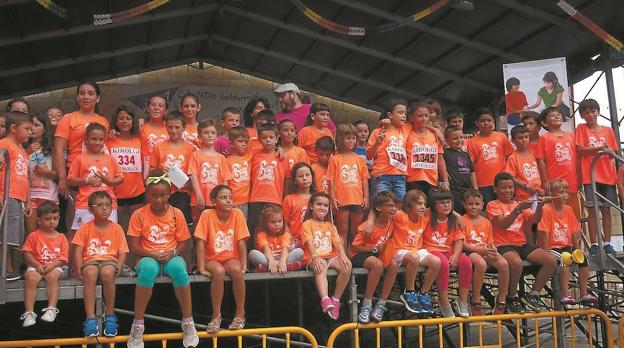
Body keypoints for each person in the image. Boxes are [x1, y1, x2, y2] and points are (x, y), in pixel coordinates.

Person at [126, 172, 199, 348]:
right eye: (154, 195)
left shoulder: (176, 213)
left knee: (179, 270)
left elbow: (184, 242)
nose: (159, 199)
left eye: (163, 195)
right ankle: (137, 325)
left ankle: (188, 322)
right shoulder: (138, 214)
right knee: (148, 270)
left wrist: (173, 252)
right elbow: (134, 246)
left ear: (169, 194)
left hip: (170, 255)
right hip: (147, 256)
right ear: (147, 194)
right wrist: (152, 254)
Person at [486, 172, 556, 313]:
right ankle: (512, 296)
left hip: (521, 244)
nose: (508, 191)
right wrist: (518, 210)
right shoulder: (493, 205)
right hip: (503, 245)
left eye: (510, 187)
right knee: (516, 262)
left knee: (551, 260)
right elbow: (503, 224)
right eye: (504, 188)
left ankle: (533, 295)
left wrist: (540, 206)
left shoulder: (519, 203)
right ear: (495, 189)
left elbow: (534, 220)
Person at [72, 191, 128, 337]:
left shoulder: (117, 228)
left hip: (109, 261)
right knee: (90, 273)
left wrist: (119, 267)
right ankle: (90, 318)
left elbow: (123, 252)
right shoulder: (84, 228)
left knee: (108, 273)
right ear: (90, 209)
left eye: (108, 205)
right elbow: (78, 251)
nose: (104, 209)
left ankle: (110, 314)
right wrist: (79, 270)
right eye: (100, 205)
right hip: (90, 260)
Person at [195, 185, 249, 332]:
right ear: (214, 201)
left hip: (231, 257)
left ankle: (240, 314)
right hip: (212, 258)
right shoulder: (207, 214)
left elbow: (241, 241)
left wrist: (244, 265)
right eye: (223, 197)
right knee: (218, 272)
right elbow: (200, 242)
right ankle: (216, 315)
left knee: (237, 270)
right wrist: (201, 267)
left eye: (230, 197)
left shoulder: (237, 213)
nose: (228, 201)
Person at [538, 179, 597, 305]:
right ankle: (565, 294)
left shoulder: (569, 209)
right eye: (560, 192)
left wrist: (577, 250)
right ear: (552, 193)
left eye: (566, 191)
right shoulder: (546, 209)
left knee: (582, 259)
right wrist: (545, 252)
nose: (564, 195)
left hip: (567, 245)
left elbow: (574, 231)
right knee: (565, 258)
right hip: (553, 248)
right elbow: (544, 232)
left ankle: (583, 293)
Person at [384, 189, 439, 317]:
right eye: (419, 204)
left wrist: (458, 216)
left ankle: (424, 293)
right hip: (398, 250)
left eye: (424, 204)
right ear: (409, 206)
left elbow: (441, 207)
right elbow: (378, 210)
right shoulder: (400, 215)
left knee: (436, 262)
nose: (423, 207)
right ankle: (409, 292)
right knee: (414, 257)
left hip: (416, 250)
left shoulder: (423, 218)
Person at [575, 98, 618, 255]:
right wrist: (598, 148)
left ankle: (607, 243)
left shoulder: (608, 130)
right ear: (582, 115)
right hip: (590, 176)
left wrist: (609, 152)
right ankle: (594, 244)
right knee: (592, 211)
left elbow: (613, 152)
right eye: (587, 112)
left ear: (598, 112)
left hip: (607, 176)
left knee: (606, 210)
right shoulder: (581, 128)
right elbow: (580, 150)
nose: (591, 114)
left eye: (593, 111)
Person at [54, 81, 110, 201]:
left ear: (98, 98)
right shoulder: (67, 118)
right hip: (75, 172)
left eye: (90, 93)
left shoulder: (104, 121)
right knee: (75, 210)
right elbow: (59, 149)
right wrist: (62, 178)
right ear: (77, 97)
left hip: (99, 171)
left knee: (98, 208)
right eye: (82, 93)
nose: (86, 97)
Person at [350, 192, 399, 323]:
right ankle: (367, 304)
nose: (393, 209)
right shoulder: (367, 226)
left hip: (377, 253)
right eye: (389, 206)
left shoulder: (392, 220)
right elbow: (354, 247)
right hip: (360, 254)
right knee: (377, 264)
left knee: (394, 264)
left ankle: (381, 303)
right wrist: (374, 249)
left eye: (394, 206)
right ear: (378, 208)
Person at [302, 192, 351, 320]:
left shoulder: (330, 225)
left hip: (329, 256)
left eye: (325, 205)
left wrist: (343, 255)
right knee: (321, 266)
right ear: (311, 206)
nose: (322, 208)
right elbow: (309, 242)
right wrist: (315, 257)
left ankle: (335, 299)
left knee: (347, 266)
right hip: (313, 258)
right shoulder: (307, 224)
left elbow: (337, 242)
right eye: (319, 204)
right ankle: (324, 299)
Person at [423, 189, 471, 318]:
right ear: (434, 205)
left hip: (448, 250)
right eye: (442, 203)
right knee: (442, 263)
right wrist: (457, 214)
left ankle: (463, 301)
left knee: (466, 262)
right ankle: (444, 301)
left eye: (449, 202)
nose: (446, 205)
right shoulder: (427, 215)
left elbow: (459, 241)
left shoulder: (453, 220)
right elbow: (422, 208)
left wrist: (455, 255)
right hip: (431, 249)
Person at [67, 123, 123, 233]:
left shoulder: (110, 159)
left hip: (108, 205)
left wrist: (108, 181)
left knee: (108, 234)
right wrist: (87, 181)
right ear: (86, 140)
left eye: (101, 139)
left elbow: (120, 178)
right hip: (85, 204)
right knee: (80, 235)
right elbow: (70, 180)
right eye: (93, 139)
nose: (97, 142)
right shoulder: (79, 159)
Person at [20, 202, 68, 327]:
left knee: (52, 277)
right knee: (30, 278)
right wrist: (36, 265)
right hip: (36, 265)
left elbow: (63, 259)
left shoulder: (61, 237)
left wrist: (51, 266)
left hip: (55, 266)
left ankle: (51, 308)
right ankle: (29, 312)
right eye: (47, 219)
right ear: (39, 220)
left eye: (55, 218)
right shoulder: (33, 235)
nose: (52, 222)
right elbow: (27, 254)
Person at [462, 189, 509, 316]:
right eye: (470, 204)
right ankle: (476, 299)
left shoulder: (486, 222)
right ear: (464, 205)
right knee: (481, 264)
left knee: (504, 264)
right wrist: (481, 250)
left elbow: (491, 241)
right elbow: (463, 244)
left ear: (482, 205)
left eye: (477, 204)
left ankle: (501, 300)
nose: (473, 207)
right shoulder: (462, 221)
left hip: (485, 249)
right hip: (470, 251)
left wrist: (492, 248)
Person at [0, 112, 33, 281]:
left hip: (19, 198)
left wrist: (28, 200)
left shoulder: (22, 150)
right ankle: (5, 270)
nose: (30, 132)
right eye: (27, 129)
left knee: (15, 235)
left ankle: (9, 269)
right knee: (6, 234)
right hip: (7, 195)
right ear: (13, 128)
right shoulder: (4, 144)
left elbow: (26, 177)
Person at [149, 111, 196, 224]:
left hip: (183, 193)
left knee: (183, 225)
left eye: (177, 127)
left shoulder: (190, 149)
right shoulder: (158, 147)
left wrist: (187, 183)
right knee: (164, 223)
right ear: (166, 127)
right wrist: (160, 171)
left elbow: (194, 174)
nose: (173, 130)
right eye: (170, 127)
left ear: (184, 128)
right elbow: (150, 171)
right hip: (163, 193)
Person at [536, 107, 581, 219]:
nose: (557, 116)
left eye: (559, 114)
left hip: (572, 182)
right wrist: (545, 181)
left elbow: (577, 159)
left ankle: (576, 236)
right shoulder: (544, 138)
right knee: (556, 215)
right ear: (544, 122)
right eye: (552, 115)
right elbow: (540, 160)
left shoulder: (571, 136)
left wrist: (580, 177)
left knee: (574, 215)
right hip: (554, 183)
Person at [328, 124, 369, 246]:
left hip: (357, 200)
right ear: (341, 139)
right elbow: (331, 180)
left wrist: (366, 197)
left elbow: (364, 179)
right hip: (342, 200)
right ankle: (343, 257)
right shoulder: (335, 159)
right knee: (342, 231)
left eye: (353, 138)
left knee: (356, 231)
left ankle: (353, 256)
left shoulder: (360, 159)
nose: (352, 141)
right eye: (348, 138)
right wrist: (332, 197)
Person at [107, 106, 145, 232]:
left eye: (128, 118)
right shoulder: (109, 140)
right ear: (116, 122)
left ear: (133, 121)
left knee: (137, 228)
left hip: (137, 191)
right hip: (116, 192)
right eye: (121, 118)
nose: (124, 121)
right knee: (116, 228)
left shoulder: (139, 140)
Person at [466, 108, 514, 206]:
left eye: (489, 120)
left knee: (506, 208)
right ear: (477, 123)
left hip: (503, 183)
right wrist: (475, 188)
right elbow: (471, 167)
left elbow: (511, 158)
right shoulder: (471, 142)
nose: (486, 123)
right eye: (483, 121)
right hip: (483, 184)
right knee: (488, 211)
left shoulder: (501, 137)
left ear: (493, 121)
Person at [248, 123, 289, 235]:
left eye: (271, 137)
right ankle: (254, 252)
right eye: (264, 138)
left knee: (273, 229)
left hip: (275, 199)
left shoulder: (282, 157)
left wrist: (284, 197)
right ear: (259, 140)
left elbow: (287, 179)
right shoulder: (254, 155)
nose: (268, 140)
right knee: (254, 227)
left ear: (277, 138)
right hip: (255, 198)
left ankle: (273, 252)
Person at [188, 119, 231, 223]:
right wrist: (198, 195)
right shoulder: (196, 155)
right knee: (198, 229)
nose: (210, 135)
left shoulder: (221, 158)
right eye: (206, 133)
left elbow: (225, 180)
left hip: (216, 201)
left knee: (214, 228)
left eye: (213, 133)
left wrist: (223, 198)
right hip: (199, 199)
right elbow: (192, 175)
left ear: (217, 137)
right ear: (199, 137)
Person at [366, 99, 410, 200]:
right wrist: (377, 143)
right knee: (381, 206)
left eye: (405, 113)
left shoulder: (406, 129)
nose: (404, 115)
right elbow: (369, 156)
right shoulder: (378, 131)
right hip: (382, 175)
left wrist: (436, 131)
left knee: (399, 205)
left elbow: (421, 123)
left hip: (400, 176)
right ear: (390, 115)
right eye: (400, 112)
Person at [406, 102, 449, 194]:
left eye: (426, 115)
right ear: (411, 117)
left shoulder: (435, 135)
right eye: (420, 116)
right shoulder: (407, 132)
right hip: (412, 179)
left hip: (432, 180)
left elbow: (440, 159)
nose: (424, 118)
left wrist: (445, 181)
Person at [26, 113, 58, 233]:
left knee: (47, 233)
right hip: (30, 196)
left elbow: (59, 175)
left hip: (49, 196)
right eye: (30, 125)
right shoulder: (23, 147)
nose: (32, 128)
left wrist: (46, 172)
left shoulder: (52, 149)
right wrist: (26, 152)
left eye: (37, 125)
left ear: (45, 129)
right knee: (31, 234)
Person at [249, 204, 304, 272]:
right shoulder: (261, 234)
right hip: (268, 258)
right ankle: (287, 267)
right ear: (265, 223)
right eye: (273, 222)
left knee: (299, 251)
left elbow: (285, 249)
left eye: (280, 221)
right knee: (252, 254)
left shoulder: (285, 234)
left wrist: (282, 262)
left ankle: (267, 268)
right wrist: (271, 261)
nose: (277, 224)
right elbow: (266, 248)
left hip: (284, 258)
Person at [443, 125, 478, 215]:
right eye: (455, 138)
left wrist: (475, 189)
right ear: (447, 140)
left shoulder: (466, 154)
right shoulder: (445, 154)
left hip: (467, 191)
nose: (459, 140)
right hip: (454, 191)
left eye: (461, 137)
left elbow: (472, 172)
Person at [283, 162, 317, 249]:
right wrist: (290, 238)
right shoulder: (289, 199)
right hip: (296, 241)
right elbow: (285, 222)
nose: (305, 178)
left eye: (307, 175)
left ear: (312, 177)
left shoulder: (317, 198)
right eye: (300, 176)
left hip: (315, 239)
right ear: (294, 180)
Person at [504, 125, 542, 201]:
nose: (524, 140)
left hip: (540, 192)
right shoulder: (512, 158)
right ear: (513, 140)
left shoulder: (535, 153)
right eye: (520, 138)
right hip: (523, 195)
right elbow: (511, 177)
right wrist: (526, 186)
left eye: (526, 137)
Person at [226, 126, 252, 219]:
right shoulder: (226, 160)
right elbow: (225, 182)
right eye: (240, 141)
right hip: (232, 201)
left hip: (246, 200)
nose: (244, 144)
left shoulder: (249, 157)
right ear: (231, 144)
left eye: (246, 142)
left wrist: (278, 148)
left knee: (243, 228)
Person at [140, 95, 169, 178]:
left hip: (166, 171)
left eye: (161, 106)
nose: (156, 108)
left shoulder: (170, 128)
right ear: (147, 108)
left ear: (166, 110)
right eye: (153, 105)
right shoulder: (140, 128)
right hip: (146, 173)